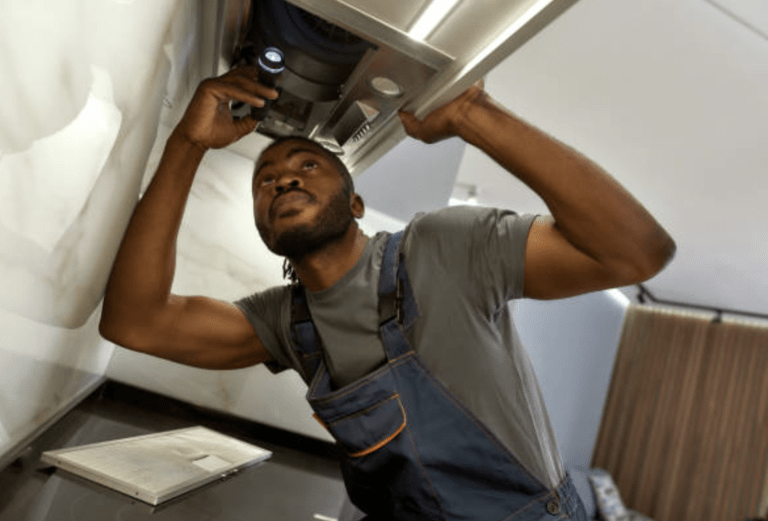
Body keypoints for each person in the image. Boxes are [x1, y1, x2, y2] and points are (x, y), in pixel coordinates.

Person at [100, 65, 675, 520]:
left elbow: (636, 253)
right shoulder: (288, 323)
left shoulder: (441, 248)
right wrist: (187, 143)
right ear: (263, 227)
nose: (285, 179)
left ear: (355, 205)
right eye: (266, 181)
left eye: (307, 165)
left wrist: (474, 114)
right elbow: (135, 323)